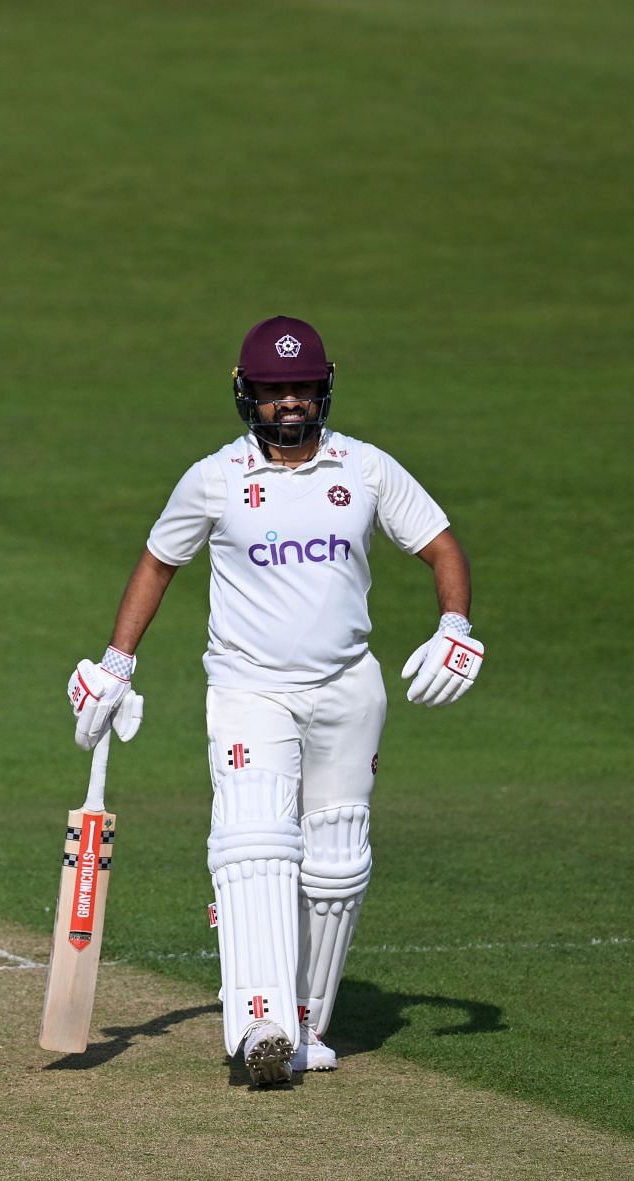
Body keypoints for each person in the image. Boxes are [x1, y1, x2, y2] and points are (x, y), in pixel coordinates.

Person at [67, 316, 483, 1086]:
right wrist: (117, 662)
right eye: (270, 390)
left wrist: (455, 625)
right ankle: (259, 1019)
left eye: (298, 387)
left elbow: (440, 544)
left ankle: (304, 1024)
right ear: (246, 394)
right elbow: (159, 562)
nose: (286, 403)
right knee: (257, 843)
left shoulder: (366, 469)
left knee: (336, 863)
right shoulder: (216, 477)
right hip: (249, 685)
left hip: (348, 685)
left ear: (323, 388)